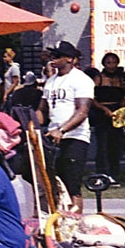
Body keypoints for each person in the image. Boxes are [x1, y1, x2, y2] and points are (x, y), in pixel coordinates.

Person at [42, 42, 93, 214]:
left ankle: (75, 224)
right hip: (52, 137)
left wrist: (62, 130)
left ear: (70, 59)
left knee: (72, 184)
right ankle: (59, 220)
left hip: (74, 137)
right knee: (55, 183)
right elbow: (42, 111)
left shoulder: (81, 79)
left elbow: (82, 111)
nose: (52, 59)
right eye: (52, 55)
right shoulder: (50, 81)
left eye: (57, 56)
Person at [92, 52, 125, 180]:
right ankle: (103, 173)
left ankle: (114, 173)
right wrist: (104, 109)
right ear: (104, 64)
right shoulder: (99, 78)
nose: (112, 65)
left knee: (115, 145)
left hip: (117, 113)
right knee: (103, 145)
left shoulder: (120, 79)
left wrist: (122, 110)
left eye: (114, 62)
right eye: (109, 63)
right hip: (102, 113)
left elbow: (121, 97)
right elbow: (91, 98)